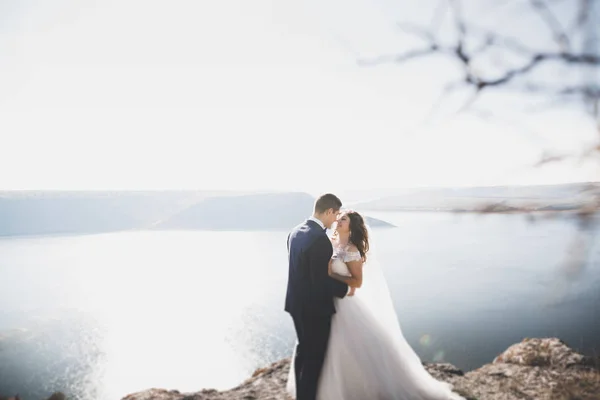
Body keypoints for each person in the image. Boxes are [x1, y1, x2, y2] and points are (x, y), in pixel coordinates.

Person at [287, 209, 465, 400]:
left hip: (344, 306)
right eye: (338, 218)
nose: (338, 221)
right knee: (322, 347)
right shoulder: (329, 242)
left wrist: (331, 274)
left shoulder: (352, 250)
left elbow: (357, 282)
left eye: (343, 219)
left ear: (352, 225)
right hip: (323, 302)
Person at [284, 193, 349, 400]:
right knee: (314, 359)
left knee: (303, 352)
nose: (336, 219)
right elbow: (320, 281)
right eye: (336, 214)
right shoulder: (320, 240)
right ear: (329, 211)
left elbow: (299, 271)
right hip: (314, 310)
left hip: (296, 305)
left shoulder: (294, 232)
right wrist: (344, 289)